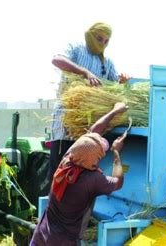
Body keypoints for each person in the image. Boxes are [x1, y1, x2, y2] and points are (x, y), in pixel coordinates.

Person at [31, 102, 128, 246]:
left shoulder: (67, 160)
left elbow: (92, 132)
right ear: (94, 160)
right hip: (64, 242)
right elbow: (118, 182)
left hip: (41, 236)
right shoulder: (92, 179)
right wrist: (116, 153)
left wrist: (114, 111)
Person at [49, 22, 131, 182]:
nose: (102, 43)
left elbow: (113, 89)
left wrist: (122, 82)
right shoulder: (76, 48)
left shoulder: (106, 62)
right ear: (90, 34)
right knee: (60, 175)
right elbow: (56, 59)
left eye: (106, 41)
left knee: (80, 179)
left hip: (90, 132)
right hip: (67, 126)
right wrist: (84, 72)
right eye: (99, 38)